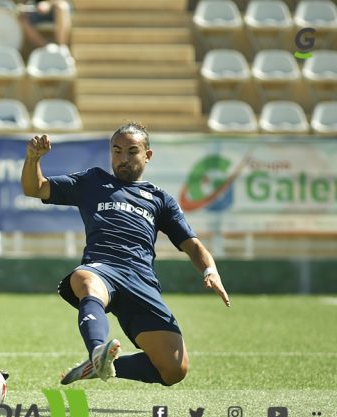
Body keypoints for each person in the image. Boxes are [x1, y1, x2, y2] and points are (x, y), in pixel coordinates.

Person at [21, 123, 230, 387]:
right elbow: (35, 188)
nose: (123, 159)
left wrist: (210, 271)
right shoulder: (92, 182)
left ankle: (97, 366)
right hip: (102, 268)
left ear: (147, 155)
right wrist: (33, 159)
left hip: (142, 280)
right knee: (85, 280)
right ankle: (97, 351)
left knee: (174, 370)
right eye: (117, 151)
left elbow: (193, 245)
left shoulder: (160, 199)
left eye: (132, 152)